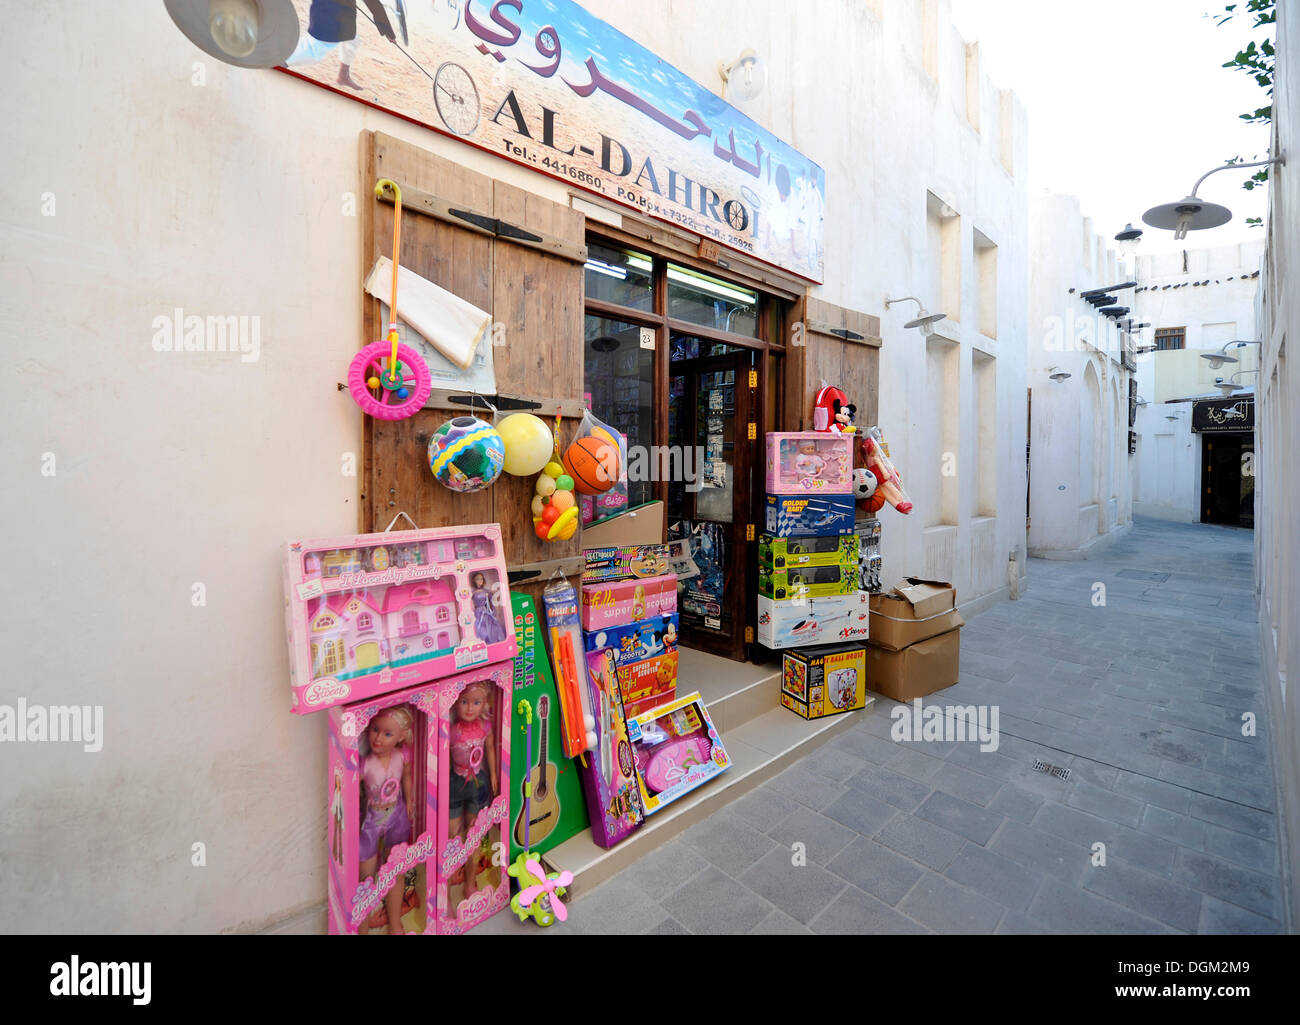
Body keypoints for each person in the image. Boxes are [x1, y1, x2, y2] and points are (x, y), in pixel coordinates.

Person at [358, 704, 415, 933]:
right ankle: (361, 926)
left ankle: (394, 922)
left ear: (401, 737)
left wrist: (409, 802)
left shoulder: (402, 756)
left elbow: (407, 778)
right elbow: (354, 795)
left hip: (398, 815)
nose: (378, 738)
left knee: (396, 870)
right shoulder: (364, 764)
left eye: (387, 733)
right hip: (372, 820)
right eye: (374, 730)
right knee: (366, 876)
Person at [448, 682, 498, 898]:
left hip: (478, 782)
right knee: (453, 834)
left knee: (474, 834)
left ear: (484, 704)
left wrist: (495, 775)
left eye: (476, 703)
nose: (469, 709)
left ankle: (470, 882)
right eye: (464, 702)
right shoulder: (451, 732)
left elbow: (490, 750)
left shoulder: (485, 728)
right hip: (456, 783)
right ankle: (448, 884)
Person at [285, 0, 396, 91]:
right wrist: (388, 32)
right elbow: (374, 4)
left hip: (338, 14)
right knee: (313, 49)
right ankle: (281, 62)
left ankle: (343, 76)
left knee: (353, 40)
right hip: (330, 15)